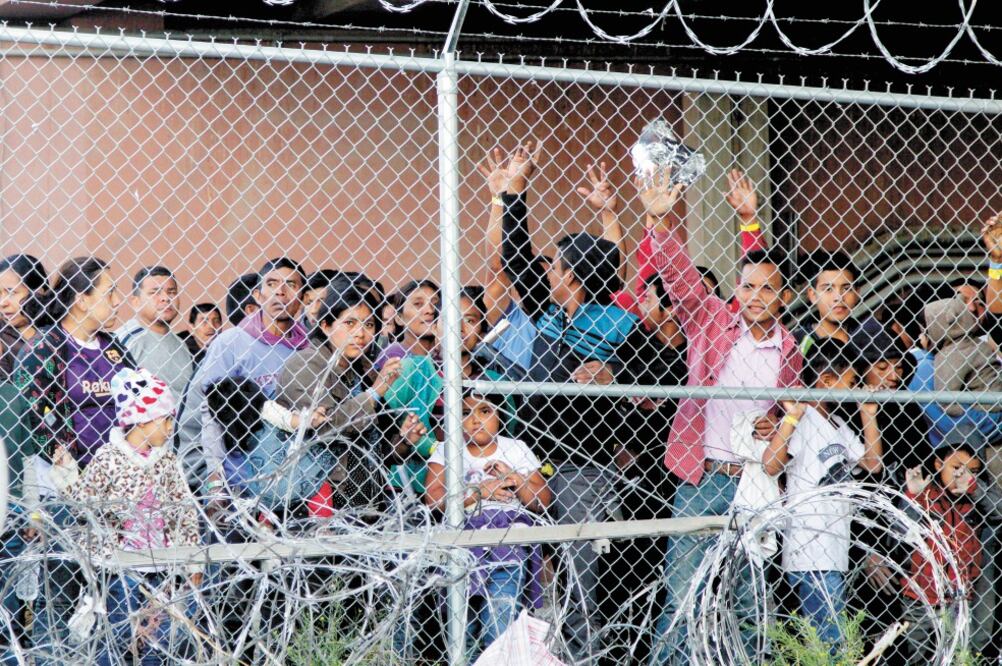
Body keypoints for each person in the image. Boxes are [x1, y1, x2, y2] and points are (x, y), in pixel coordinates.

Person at [643, 169, 803, 665]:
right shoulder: (711, 319)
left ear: (783, 298)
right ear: (737, 288)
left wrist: (774, 423)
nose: (755, 296)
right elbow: (681, 279)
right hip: (702, 477)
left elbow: (788, 410)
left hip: (754, 482)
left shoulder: (789, 349)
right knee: (683, 595)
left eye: (767, 290)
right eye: (747, 287)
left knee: (749, 600)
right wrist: (660, 221)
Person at [495, 143, 648, 657]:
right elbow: (515, 260)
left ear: (574, 278)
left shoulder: (617, 323)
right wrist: (515, 191)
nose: (547, 273)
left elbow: (663, 374)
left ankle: (582, 655)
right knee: (536, 575)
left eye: (557, 266)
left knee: (581, 578)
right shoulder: (550, 312)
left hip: (584, 467)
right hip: (534, 462)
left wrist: (614, 373)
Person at [13, 257, 135, 662]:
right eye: (109, 293)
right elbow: (28, 414)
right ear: (81, 299)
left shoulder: (113, 348)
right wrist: (61, 453)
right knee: (61, 592)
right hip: (63, 491)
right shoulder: (47, 346)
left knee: (112, 591)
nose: (116, 301)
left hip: (115, 490)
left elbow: (137, 399)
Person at [49, 368, 200, 666]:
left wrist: (191, 559)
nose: (171, 428)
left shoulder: (167, 461)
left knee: (160, 640)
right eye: (166, 420)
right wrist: (66, 473)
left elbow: (184, 511)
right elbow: (84, 500)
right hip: (122, 567)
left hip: (162, 565)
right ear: (143, 420)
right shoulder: (109, 457)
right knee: (117, 634)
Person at [763, 339, 882, 646]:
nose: (856, 389)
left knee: (827, 633)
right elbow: (771, 464)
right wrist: (791, 418)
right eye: (852, 383)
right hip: (809, 548)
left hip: (834, 546)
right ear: (827, 380)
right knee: (832, 638)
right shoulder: (804, 420)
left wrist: (868, 413)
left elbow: (872, 464)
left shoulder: (839, 424)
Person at [424, 390, 552, 658]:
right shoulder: (448, 449)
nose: (475, 420)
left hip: (507, 545)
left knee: (499, 625)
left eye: (485, 411)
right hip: (461, 546)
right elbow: (433, 499)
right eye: (465, 413)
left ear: (499, 415)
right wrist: (479, 492)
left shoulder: (515, 448)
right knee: (463, 631)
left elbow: (542, 501)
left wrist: (515, 478)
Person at [177, 258, 310, 495]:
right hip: (238, 478)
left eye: (291, 284)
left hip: (296, 476)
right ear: (258, 296)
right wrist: (215, 479)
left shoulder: (308, 348)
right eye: (272, 284)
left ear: (302, 297)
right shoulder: (231, 343)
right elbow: (209, 413)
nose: (281, 291)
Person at [275, 282, 404, 511]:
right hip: (318, 498)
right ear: (326, 325)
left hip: (366, 498)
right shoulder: (305, 364)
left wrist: (404, 441)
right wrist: (374, 392)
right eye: (350, 323)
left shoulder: (362, 368)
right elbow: (326, 427)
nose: (360, 334)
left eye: (369, 324)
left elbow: (375, 445)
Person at [898, 436, 1002, 664]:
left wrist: (975, 488)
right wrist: (913, 497)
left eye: (972, 471)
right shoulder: (925, 494)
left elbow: (999, 511)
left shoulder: (976, 499)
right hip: (921, 596)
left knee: (959, 652)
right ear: (938, 464)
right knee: (918, 656)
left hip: (960, 596)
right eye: (956, 468)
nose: (962, 476)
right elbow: (899, 532)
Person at [115, 266, 194, 401]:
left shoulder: (181, 345)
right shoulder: (126, 340)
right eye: (155, 292)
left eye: (171, 292)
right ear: (136, 302)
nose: (165, 298)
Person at [793, 251, 862, 356]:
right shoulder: (796, 343)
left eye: (847, 288)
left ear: (857, 293)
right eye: (828, 289)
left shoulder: (868, 336)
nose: (838, 298)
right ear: (813, 295)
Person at [0, 254, 49, 379]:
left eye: (11, 292)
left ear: (38, 291)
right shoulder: (3, 338)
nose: (2, 303)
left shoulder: (58, 329)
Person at [375, 279, 439, 369]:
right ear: (399, 318)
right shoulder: (395, 354)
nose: (430, 310)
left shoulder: (443, 353)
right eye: (418, 304)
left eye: (436, 304)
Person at [182, 302, 222, 367]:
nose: (211, 326)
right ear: (191, 329)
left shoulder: (226, 349)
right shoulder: (183, 353)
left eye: (216, 321)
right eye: (204, 321)